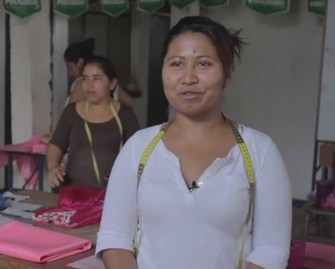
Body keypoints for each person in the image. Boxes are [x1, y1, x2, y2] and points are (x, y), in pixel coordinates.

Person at [96, 16, 291, 269]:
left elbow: (270, 251)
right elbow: (115, 238)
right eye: (176, 64)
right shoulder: (138, 148)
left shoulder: (260, 151)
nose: (188, 78)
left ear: (227, 72)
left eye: (203, 64)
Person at [47, 55, 140, 190]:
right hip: (74, 192)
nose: (89, 85)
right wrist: (52, 166)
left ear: (112, 84)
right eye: (85, 79)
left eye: (97, 79)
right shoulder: (72, 111)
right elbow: (56, 144)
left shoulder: (125, 115)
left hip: (113, 194)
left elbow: (137, 154)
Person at [64, 38, 134, 107]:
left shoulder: (81, 83)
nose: (70, 73)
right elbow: (129, 102)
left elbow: (69, 115)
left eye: (70, 68)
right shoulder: (109, 84)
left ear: (80, 62)